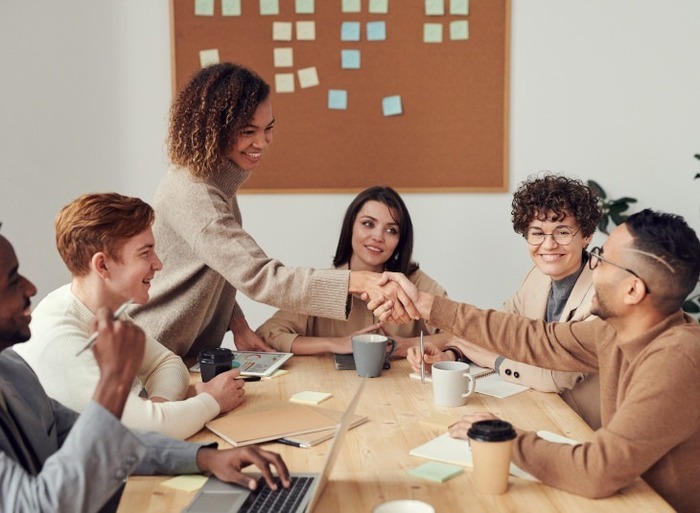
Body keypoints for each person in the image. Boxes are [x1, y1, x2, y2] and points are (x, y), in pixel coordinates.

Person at [383, 209, 700, 513]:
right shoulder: (616, 332)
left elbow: (597, 471)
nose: (593, 266)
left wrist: (503, 436)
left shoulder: (677, 359)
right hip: (628, 496)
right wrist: (427, 305)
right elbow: (538, 338)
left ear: (632, 289)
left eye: (602, 259)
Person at [130, 62, 417, 359]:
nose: (262, 142)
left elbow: (220, 267)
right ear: (215, 130)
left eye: (269, 129)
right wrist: (355, 281)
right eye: (248, 131)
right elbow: (260, 276)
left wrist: (238, 324)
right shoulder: (196, 194)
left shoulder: (213, 181)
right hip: (153, 353)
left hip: (181, 354)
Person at [0, 229, 290, 512]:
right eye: (12, 281)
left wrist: (203, 458)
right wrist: (114, 382)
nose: (31, 288)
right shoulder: (59, 336)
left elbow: (107, 440)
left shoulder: (12, 370)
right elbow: (40, 506)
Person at [14, 194, 244, 440]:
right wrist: (211, 401)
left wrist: (159, 409)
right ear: (102, 266)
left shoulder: (103, 309)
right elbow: (147, 432)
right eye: (145, 254)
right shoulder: (60, 338)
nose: (158, 264)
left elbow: (166, 364)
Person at [407, 174, 603, 428]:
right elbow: (497, 331)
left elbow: (555, 377)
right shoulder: (536, 277)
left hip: (583, 428)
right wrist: (452, 353)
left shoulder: (602, 294)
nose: (548, 244)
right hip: (537, 410)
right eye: (537, 233)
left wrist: (494, 360)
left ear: (586, 235)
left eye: (562, 232)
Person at [256, 186, 451, 357]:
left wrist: (408, 344)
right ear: (350, 227)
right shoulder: (323, 284)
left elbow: (463, 335)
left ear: (400, 241)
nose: (378, 236)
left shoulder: (416, 284)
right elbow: (268, 334)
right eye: (368, 224)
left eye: (391, 230)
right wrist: (336, 343)